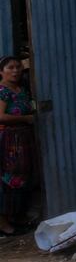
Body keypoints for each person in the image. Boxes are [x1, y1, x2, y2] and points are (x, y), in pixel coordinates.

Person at [0, 56, 36, 234]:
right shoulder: (2, 90)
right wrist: (26, 118)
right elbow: (0, 116)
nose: (15, 71)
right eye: (10, 68)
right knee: (7, 179)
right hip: (7, 139)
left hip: (23, 139)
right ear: (1, 72)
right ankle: (4, 224)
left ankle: (16, 218)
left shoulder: (22, 89)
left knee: (23, 177)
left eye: (18, 67)